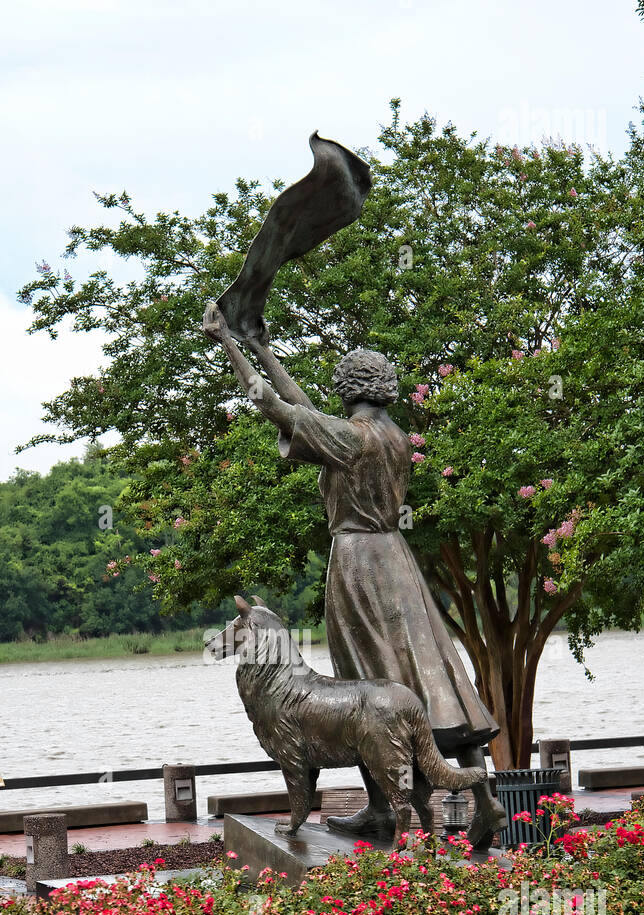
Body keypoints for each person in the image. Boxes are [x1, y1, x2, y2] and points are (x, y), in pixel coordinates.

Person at [202, 301, 508, 849]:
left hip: (359, 568)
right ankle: (480, 802)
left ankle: (386, 812)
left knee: (366, 679)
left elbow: (276, 407)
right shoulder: (391, 435)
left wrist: (228, 342)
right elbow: (303, 408)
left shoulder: (352, 439)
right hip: (398, 560)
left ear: (350, 387)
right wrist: (263, 346)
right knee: (437, 676)